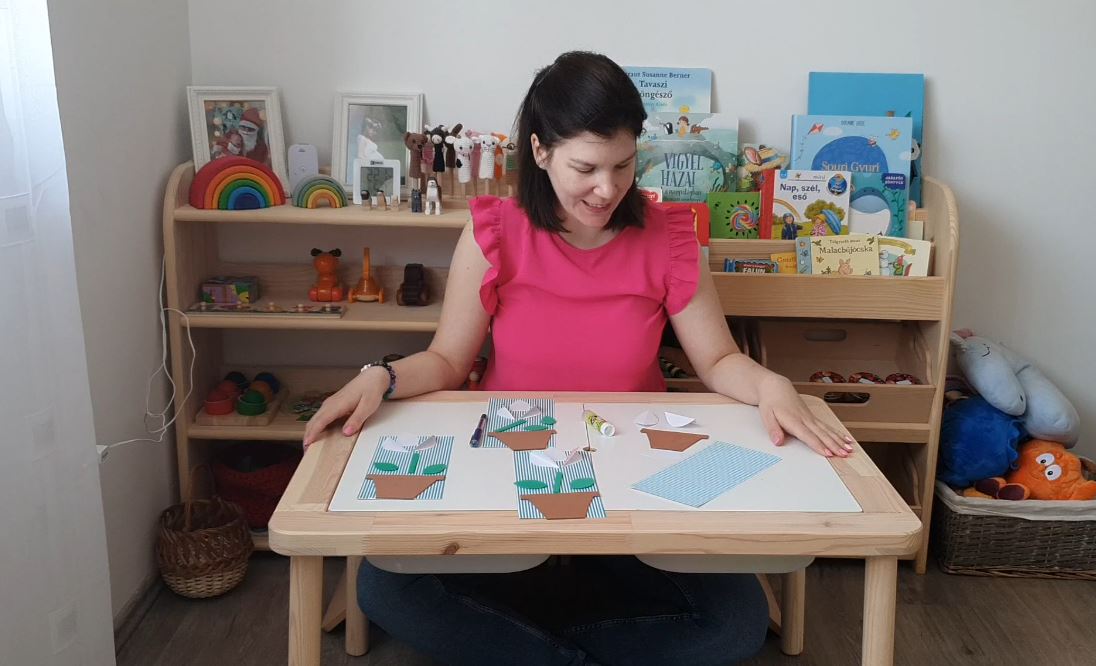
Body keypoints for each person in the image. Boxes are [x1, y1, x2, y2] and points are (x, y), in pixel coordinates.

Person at [302, 51, 853, 666]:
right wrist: (381, 376)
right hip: (509, 472)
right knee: (385, 587)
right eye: (585, 168)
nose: (608, 189)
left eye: (623, 164)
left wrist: (771, 384)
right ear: (540, 152)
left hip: (635, 482)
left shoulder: (671, 236)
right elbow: (448, 361)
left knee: (736, 624)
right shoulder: (495, 231)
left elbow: (719, 359)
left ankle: (530, 643)